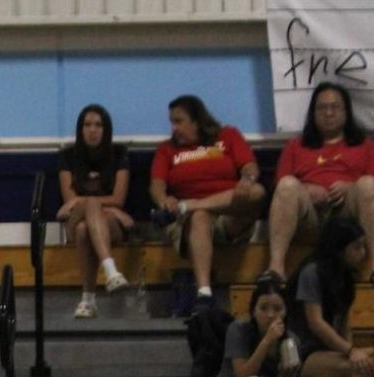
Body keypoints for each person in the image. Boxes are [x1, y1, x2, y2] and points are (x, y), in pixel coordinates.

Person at [150, 94, 265, 313]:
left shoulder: (228, 135)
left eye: (178, 121)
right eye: (171, 122)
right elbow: (157, 185)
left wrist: (246, 179)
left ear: (197, 120)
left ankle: (191, 205)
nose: (174, 128)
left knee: (257, 191)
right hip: (190, 221)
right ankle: (204, 292)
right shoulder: (167, 149)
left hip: (230, 212)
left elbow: (250, 167)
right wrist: (163, 200)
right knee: (200, 215)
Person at [266, 82, 374, 283]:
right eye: (322, 108)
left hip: (349, 217)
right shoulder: (295, 146)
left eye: (335, 107)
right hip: (310, 218)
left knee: (369, 184)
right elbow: (279, 188)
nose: (329, 113)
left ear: (346, 112)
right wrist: (306, 190)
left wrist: (351, 187)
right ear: (313, 113)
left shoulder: (365, 146)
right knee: (288, 185)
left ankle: (373, 267)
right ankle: (275, 269)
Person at [289, 216, 372, 377]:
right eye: (356, 247)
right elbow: (316, 323)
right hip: (303, 354)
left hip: (328, 351)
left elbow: (343, 324)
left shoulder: (345, 279)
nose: (362, 253)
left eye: (363, 247)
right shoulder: (312, 273)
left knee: (366, 360)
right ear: (339, 248)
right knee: (365, 368)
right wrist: (350, 351)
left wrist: (351, 349)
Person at [57, 104, 133, 319]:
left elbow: (119, 198)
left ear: (106, 129)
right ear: (80, 129)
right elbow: (70, 202)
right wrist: (107, 208)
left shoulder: (119, 153)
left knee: (84, 230)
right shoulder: (67, 156)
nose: (92, 130)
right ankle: (111, 270)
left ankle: (87, 301)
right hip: (78, 219)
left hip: (109, 224)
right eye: (87, 125)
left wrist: (108, 209)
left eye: (98, 125)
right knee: (84, 214)